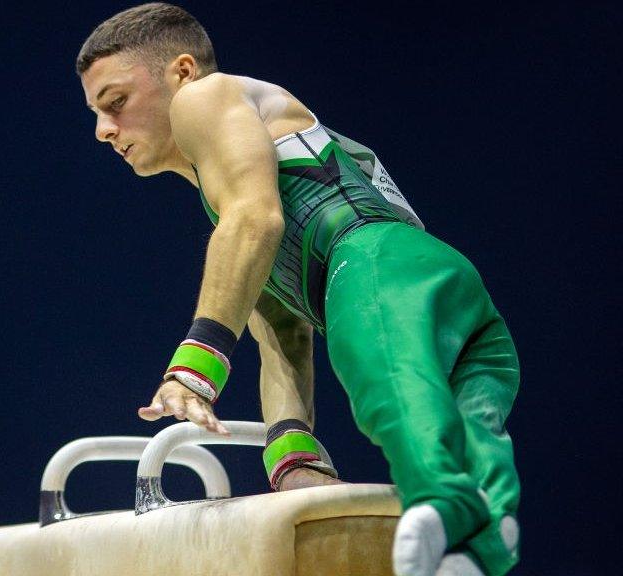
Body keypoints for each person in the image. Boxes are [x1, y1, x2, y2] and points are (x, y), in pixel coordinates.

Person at [76, 4, 521, 576]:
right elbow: (283, 340)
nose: (103, 130)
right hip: (449, 300)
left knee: (391, 390)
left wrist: (194, 368)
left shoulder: (205, 97)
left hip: (375, 262)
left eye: (115, 103)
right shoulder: (236, 199)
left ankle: (445, 502)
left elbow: (256, 219)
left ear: (182, 72)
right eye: (95, 114)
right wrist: (292, 457)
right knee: (471, 435)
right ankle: (482, 542)